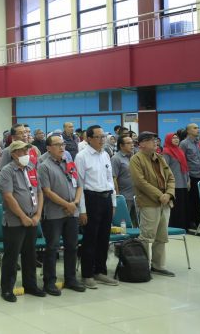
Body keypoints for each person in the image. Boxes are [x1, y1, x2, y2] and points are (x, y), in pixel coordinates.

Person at [0, 141, 46, 302]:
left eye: (26, 150)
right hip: (14, 221)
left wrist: (38, 214)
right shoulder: (7, 171)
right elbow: (8, 196)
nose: (25, 153)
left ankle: (31, 285)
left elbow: (39, 192)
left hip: (32, 219)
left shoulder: (32, 168)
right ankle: (7, 289)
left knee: (30, 254)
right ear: (13, 154)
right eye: (21, 151)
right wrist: (23, 217)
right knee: (12, 257)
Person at [38, 136, 86, 295]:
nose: (61, 147)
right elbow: (47, 191)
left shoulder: (70, 163)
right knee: (52, 248)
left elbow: (79, 185)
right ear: (48, 148)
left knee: (72, 246)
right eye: (57, 145)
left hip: (72, 212)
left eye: (63, 144)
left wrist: (75, 203)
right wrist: (67, 205)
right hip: (53, 214)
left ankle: (70, 278)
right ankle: (49, 282)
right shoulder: (44, 166)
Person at [129, 132, 176, 277]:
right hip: (149, 202)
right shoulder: (136, 159)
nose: (154, 142)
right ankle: (142, 266)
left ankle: (158, 265)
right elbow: (140, 182)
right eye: (150, 140)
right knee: (147, 236)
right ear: (141, 144)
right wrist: (159, 195)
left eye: (155, 140)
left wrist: (168, 194)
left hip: (165, 202)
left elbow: (171, 178)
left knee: (161, 236)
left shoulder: (160, 158)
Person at [76, 125, 117, 289]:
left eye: (103, 137)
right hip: (91, 199)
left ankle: (100, 271)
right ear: (89, 138)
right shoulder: (82, 156)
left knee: (104, 238)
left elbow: (110, 180)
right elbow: (79, 184)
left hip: (106, 198)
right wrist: (82, 210)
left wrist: (113, 203)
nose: (102, 140)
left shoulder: (106, 154)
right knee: (90, 239)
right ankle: (87, 274)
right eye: (98, 137)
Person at [180, 123, 200, 230]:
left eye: (198, 128)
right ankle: (191, 221)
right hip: (191, 175)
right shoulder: (184, 144)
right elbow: (182, 161)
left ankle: (199, 220)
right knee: (192, 200)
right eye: (195, 128)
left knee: (199, 200)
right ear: (188, 131)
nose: (198, 129)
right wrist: (186, 178)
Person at [163, 133, 190, 230]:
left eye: (177, 137)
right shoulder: (166, 152)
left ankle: (184, 226)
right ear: (168, 139)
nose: (176, 139)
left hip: (183, 182)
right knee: (176, 208)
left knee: (183, 206)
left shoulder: (180, 151)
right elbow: (165, 169)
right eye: (173, 138)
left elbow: (185, 167)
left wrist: (188, 180)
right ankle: (176, 227)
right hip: (174, 184)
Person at [111, 135, 136, 226]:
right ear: (121, 146)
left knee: (136, 221)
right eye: (129, 143)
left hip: (135, 195)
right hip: (124, 196)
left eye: (132, 142)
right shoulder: (116, 158)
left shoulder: (134, 157)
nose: (132, 145)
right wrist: (118, 196)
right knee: (124, 222)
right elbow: (113, 178)